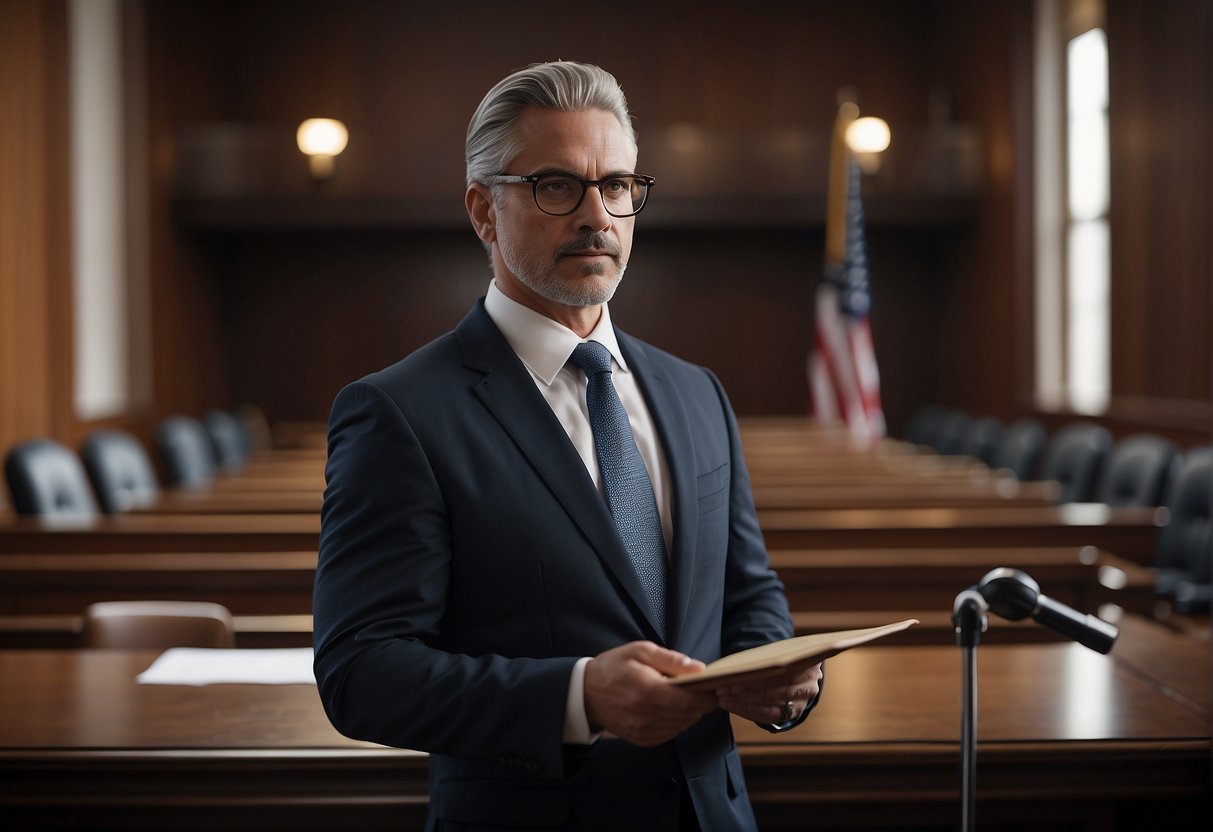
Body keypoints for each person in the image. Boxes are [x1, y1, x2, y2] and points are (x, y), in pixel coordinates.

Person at [313, 60, 823, 832]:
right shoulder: (399, 412)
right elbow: (360, 674)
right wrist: (577, 697)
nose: (598, 217)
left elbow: (747, 595)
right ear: (484, 212)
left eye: (616, 185)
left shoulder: (695, 393)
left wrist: (778, 679)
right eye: (557, 186)